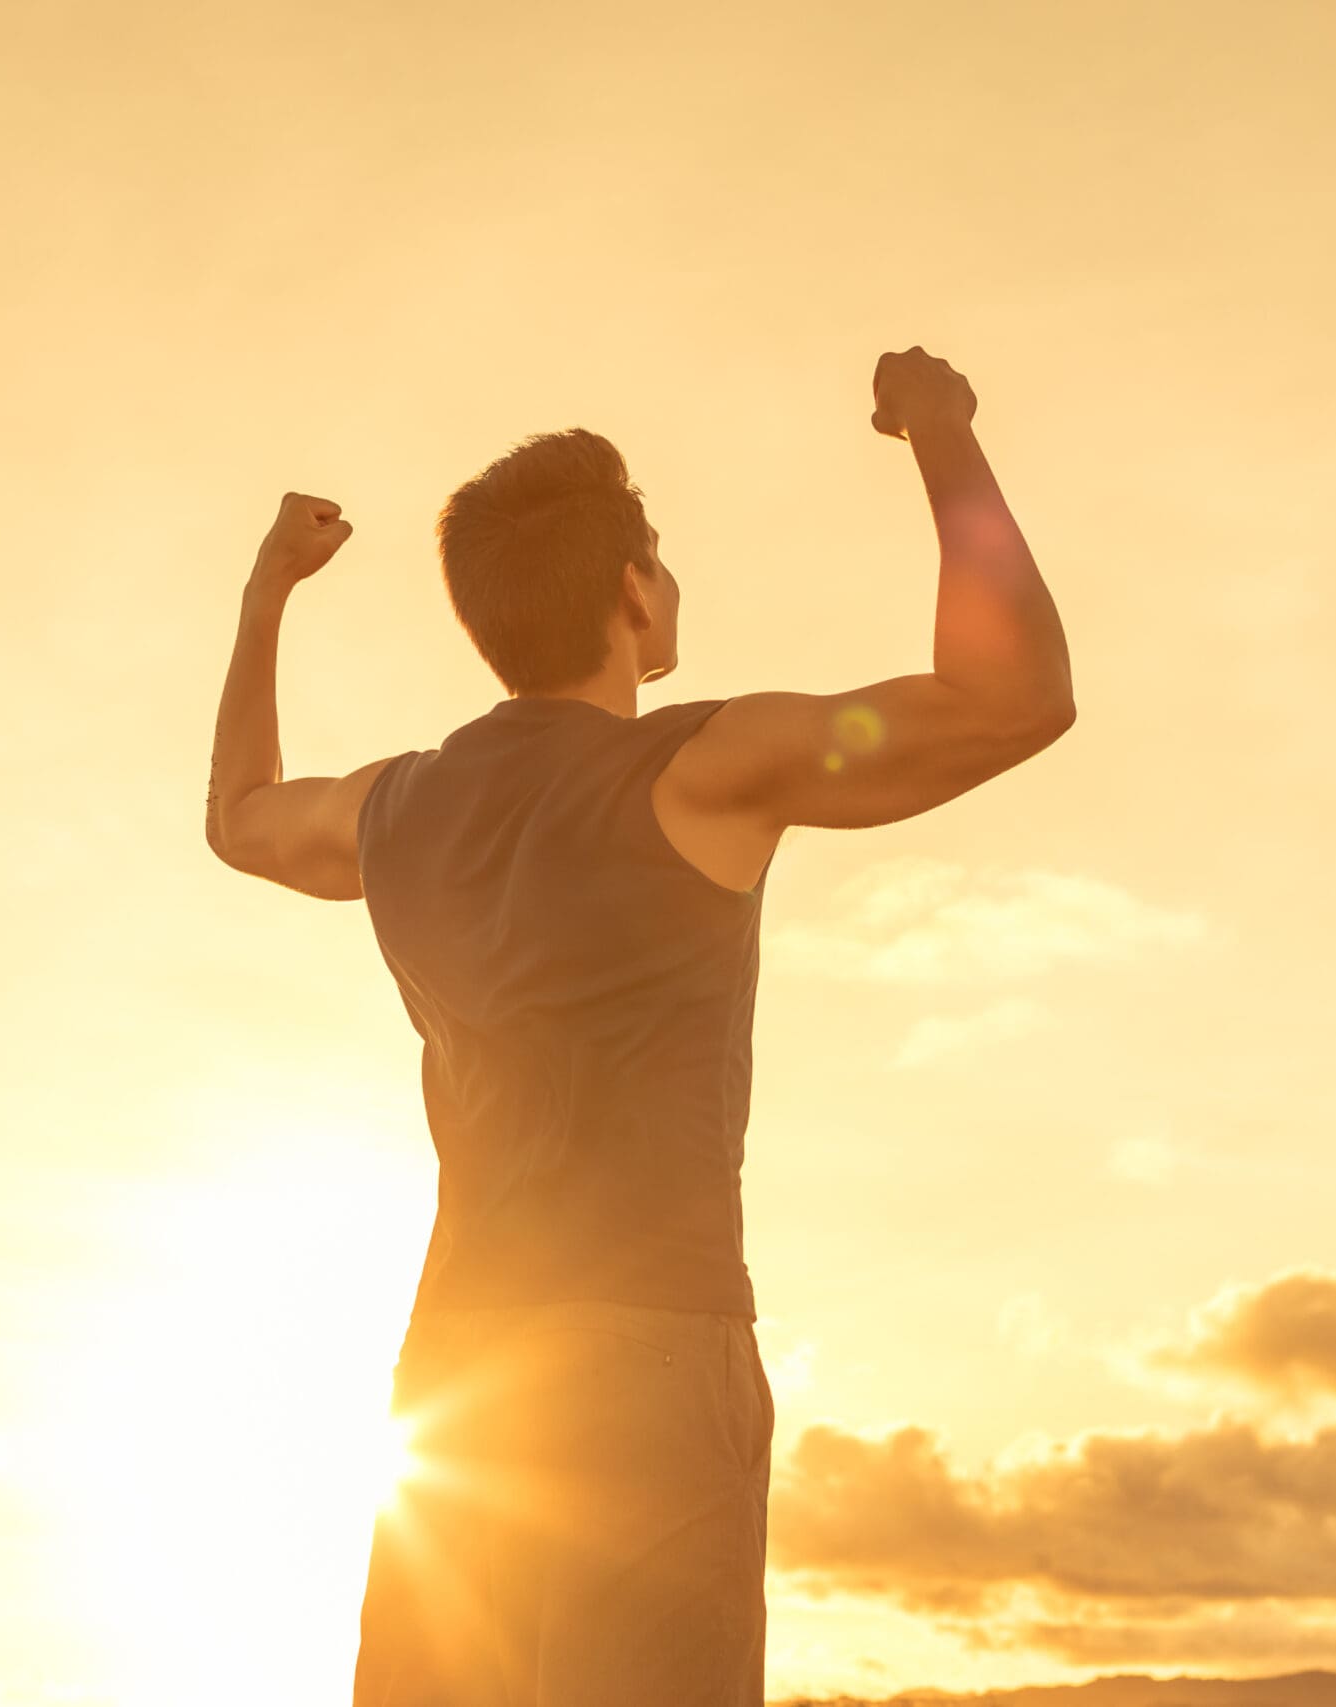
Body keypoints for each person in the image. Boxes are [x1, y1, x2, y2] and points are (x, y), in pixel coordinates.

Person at [204, 346, 1076, 1705]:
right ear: (629, 592)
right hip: (649, 1365)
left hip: (461, 1373)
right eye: (657, 559)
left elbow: (241, 819)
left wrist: (267, 592)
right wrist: (944, 435)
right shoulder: (706, 768)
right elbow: (1013, 697)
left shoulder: (396, 811)